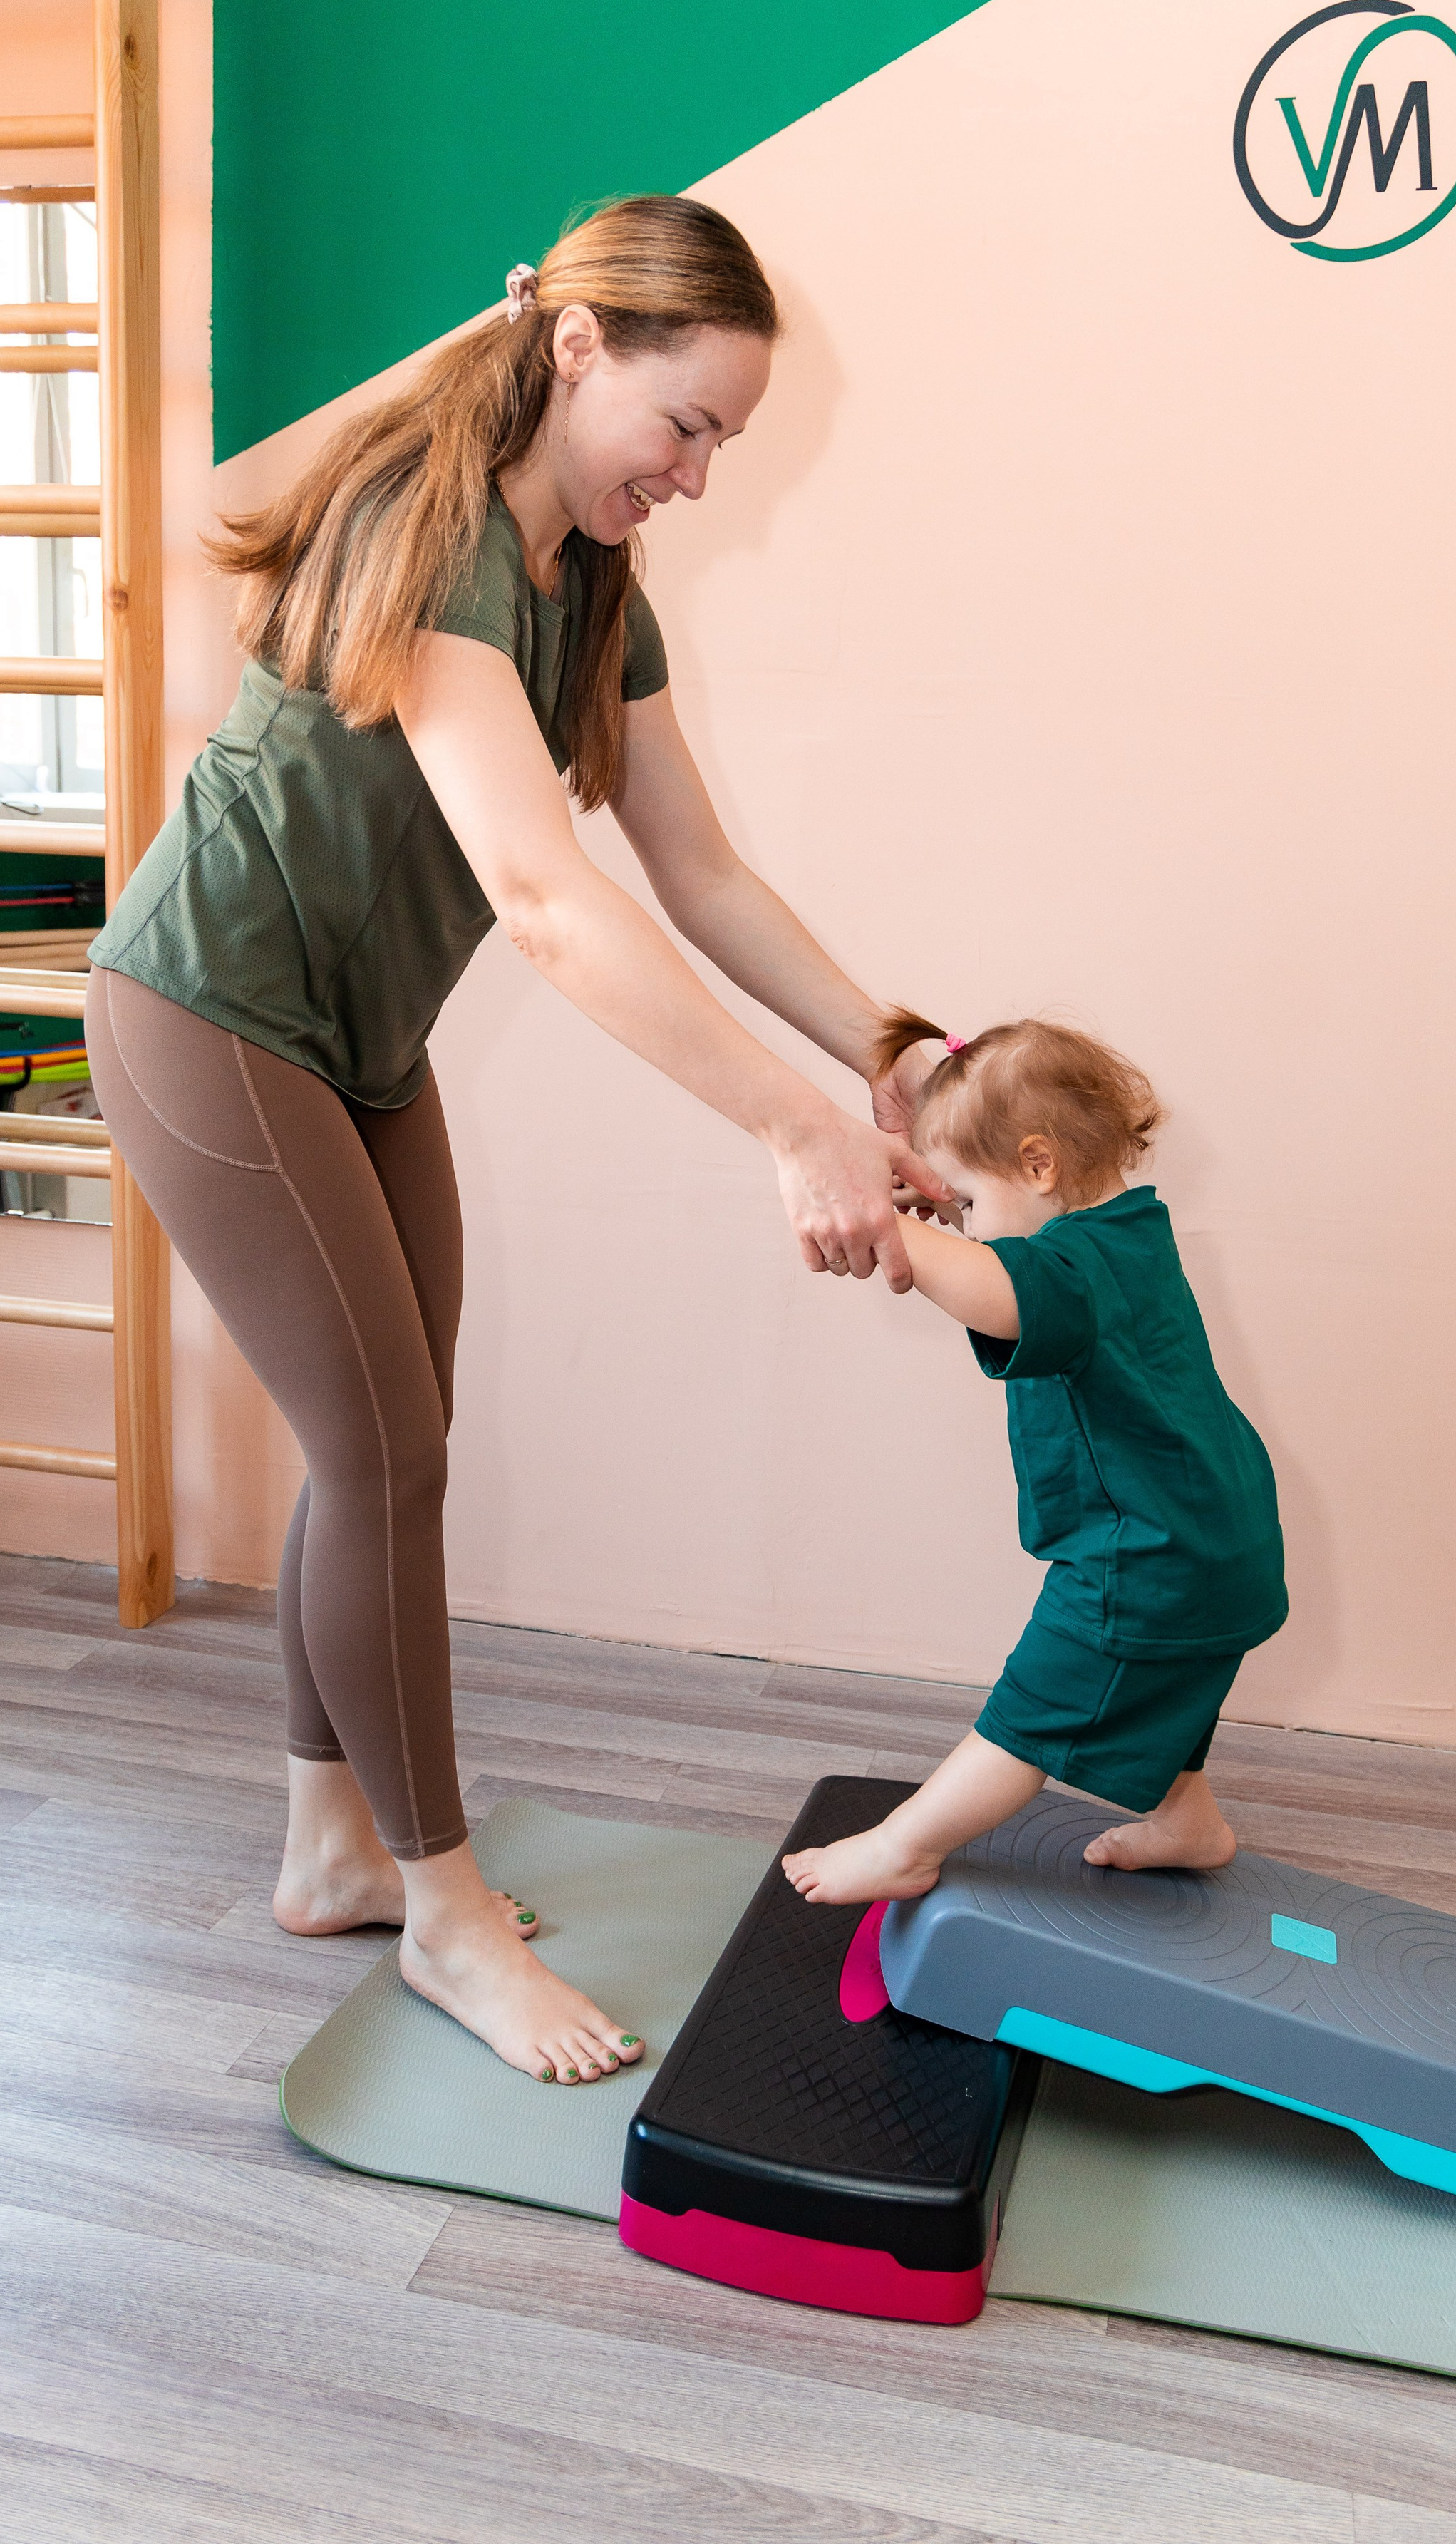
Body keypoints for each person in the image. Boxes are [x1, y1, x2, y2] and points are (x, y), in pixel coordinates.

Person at [85, 195, 953, 2086]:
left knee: (388, 1442)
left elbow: (698, 873)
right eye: (686, 423)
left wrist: (888, 1054)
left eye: (723, 440)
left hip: (357, 1048)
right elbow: (545, 899)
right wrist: (788, 1126)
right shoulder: (432, 530)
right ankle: (443, 1912)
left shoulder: (590, 584)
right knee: (383, 1449)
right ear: (578, 350)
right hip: (210, 1018)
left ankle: (333, 1847)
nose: (698, 474)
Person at [783, 1015, 1288, 1909]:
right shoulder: (1131, 1230)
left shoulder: (1070, 1270)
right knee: (1160, 1678)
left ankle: (904, 1846)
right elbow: (1015, 1263)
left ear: (1039, 1165)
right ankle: (1186, 1818)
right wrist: (957, 1211)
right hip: (1217, 1530)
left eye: (970, 1202)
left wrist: (871, 1213)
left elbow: (998, 1292)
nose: (967, 1225)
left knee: (1037, 1706)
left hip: (1149, 1556)